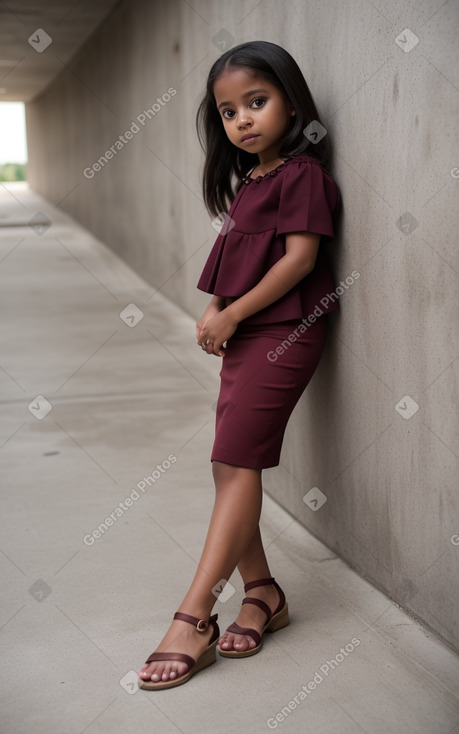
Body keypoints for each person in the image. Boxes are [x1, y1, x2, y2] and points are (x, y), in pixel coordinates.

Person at [138, 40, 342, 690]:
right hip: (247, 332)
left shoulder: (301, 176)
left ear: (292, 102)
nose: (243, 120)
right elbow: (240, 256)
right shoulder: (252, 180)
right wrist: (217, 309)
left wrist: (232, 314)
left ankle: (192, 616)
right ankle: (262, 592)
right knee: (229, 464)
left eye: (256, 102)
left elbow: (298, 262)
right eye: (228, 112)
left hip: (284, 333)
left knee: (238, 464)